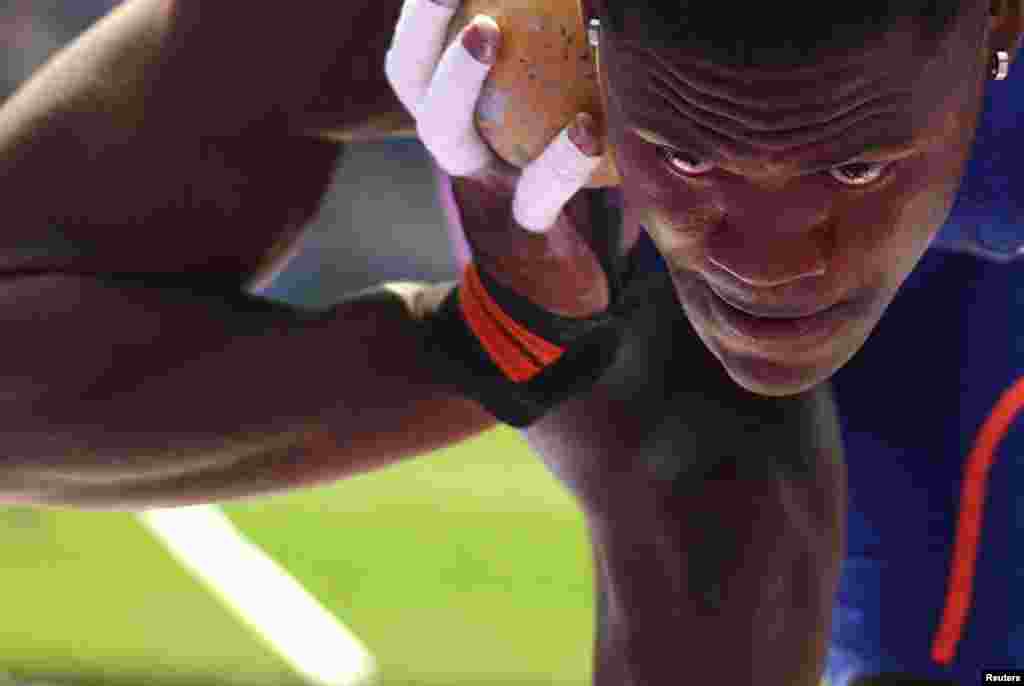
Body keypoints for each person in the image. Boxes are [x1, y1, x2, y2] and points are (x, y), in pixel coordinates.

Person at [0, 0, 1019, 684]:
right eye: (686, 149)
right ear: (583, 34)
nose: (768, 261)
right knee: (689, 456)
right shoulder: (465, 27)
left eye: (849, 166)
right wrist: (493, 337)